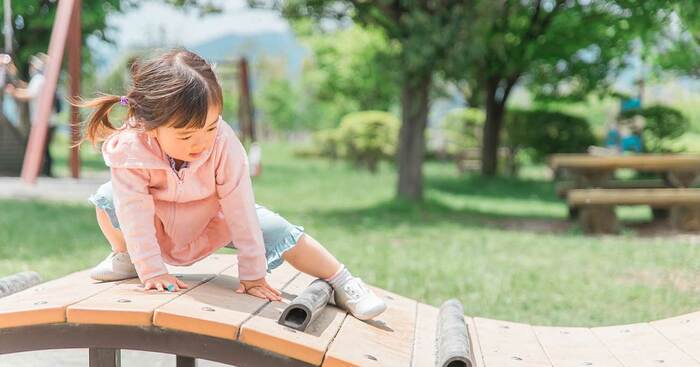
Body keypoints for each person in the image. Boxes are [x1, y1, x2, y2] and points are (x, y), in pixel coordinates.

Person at [78, 49, 386, 321]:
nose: (202, 142)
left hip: (214, 217)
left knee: (279, 230)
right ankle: (127, 257)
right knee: (107, 198)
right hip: (156, 223)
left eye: (211, 127)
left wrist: (253, 274)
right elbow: (134, 213)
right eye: (186, 135)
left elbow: (239, 206)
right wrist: (152, 270)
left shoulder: (224, 143)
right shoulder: (130, 148)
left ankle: (344, 281)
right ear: (152, 128)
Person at [5, 53, 56, 176]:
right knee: (44, 147)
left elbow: (29, 94)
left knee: (39, 147)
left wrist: (13, 93)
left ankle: (44, 172)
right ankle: (45, 171)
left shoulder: (39, 79)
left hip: (42, 120)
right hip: (44, 120)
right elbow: (29, 88)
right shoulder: (41, 79)